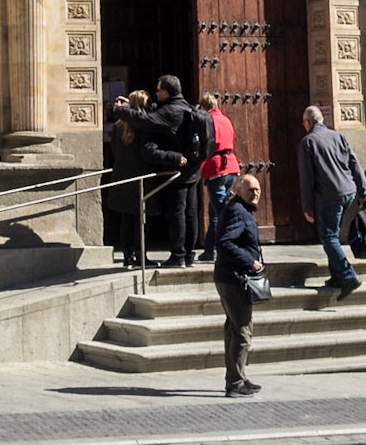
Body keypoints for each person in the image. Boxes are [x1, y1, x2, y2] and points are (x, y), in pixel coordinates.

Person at [112, 75, 201, 266]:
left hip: (124, 177)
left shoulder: (120, 127)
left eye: (159, 90)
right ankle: (178, 255)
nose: (156, 94)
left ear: (167, 92)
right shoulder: (182, 109)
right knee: (150, 219)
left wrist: (122, 110)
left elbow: (146, 118)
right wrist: (175, 158)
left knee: (128, 218)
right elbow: (148, 149)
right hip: (147, 177)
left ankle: (129, 256)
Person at [297, 103, 366, 296]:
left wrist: (307, 206)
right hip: (349, 191)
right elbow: (354, 163)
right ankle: (336, 276)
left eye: (303, 122)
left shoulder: (308, 142)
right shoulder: (338, 136)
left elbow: (307, 178)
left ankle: (347, 275)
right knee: (333, 234)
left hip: (331, 195)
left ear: (308, 122)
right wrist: (364, 189)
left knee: (328, 236)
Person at [214, 172, 265, 398]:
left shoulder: (242, 210)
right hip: (233, 279)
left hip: (232, 278)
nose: (255, 194)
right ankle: (235, 383)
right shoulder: (237, 211)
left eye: (257, 189)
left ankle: (238, 376)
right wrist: (250, 262)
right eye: (250, 190)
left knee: (234, 330)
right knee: (243, 331)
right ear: (238, 191)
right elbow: (224, 242)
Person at [199, 92, 241, 256]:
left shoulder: (208, 120)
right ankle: (209, 249)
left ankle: (230, 247)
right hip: (231, 165)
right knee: (214, 212)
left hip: (217, 168)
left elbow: (206, 143)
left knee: (222, 213)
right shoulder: (226, 119)